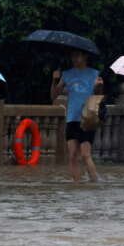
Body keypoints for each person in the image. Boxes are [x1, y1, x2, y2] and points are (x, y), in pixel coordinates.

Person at [51, 50, 103, 182]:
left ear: (85, 56)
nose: (74, 58)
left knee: (85, 154)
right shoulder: (67, 75)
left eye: (77, 55)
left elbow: (98, 96)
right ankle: (77, 185)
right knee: (72, 155)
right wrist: (54, 80)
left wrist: (98, 87)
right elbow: (53, 96)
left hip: (87, 118)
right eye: (72, 55)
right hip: (71, 118)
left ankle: (96, 182)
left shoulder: (94, 74)